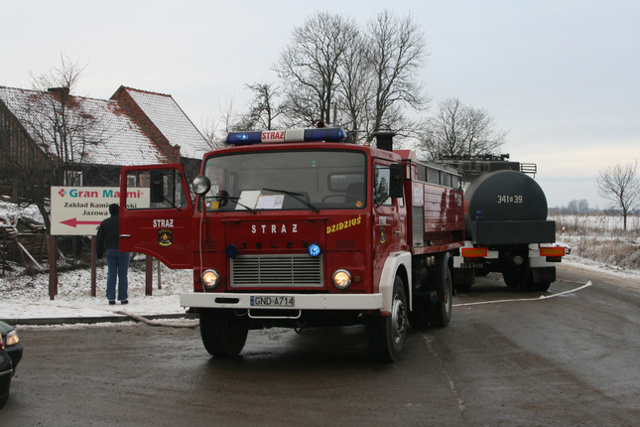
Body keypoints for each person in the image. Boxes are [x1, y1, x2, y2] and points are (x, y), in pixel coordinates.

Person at [96, 204, 130, 305]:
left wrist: (99, 253)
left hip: (110, 250)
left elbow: (99, 239)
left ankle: (111, 298)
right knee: (123, 274)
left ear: (110, 211)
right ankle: (123, 298)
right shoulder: (124, 222)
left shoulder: (105, 223)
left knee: (111, 273)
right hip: (123, 250)